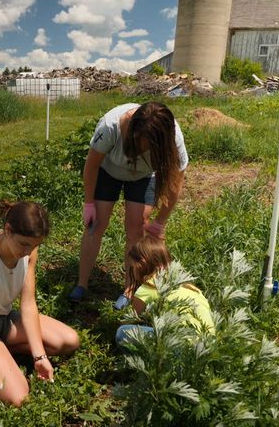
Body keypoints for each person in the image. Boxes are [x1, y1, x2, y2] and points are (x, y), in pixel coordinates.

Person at [0, 200, 80, 406]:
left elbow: (28, 305)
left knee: (69, 340)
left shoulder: (29, 251)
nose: (28, 252)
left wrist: (39, 357)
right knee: (18, 397)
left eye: (35, 246)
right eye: (24, 244)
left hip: (5, 318)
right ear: (7, 230)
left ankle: (1, 349)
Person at [68, 102, 189, 308]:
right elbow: (92, 165)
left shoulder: (173, 138)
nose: (142, 149)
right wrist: (89, 203)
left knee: (137, 228)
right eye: (140, 143)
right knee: (96, 224)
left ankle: (129, 288)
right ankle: (82, 283)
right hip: (108, 171)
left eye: (149, 146)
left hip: (144, 176)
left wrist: (160, 222)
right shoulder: (110, 127)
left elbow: (175, 183)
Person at [115, 234, 214, 347]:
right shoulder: (188, 285)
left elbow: (130, 318)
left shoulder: (149, 286)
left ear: (140, 264)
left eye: (132, 268)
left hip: (182, 345)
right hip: (209, 346)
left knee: (122, 333)